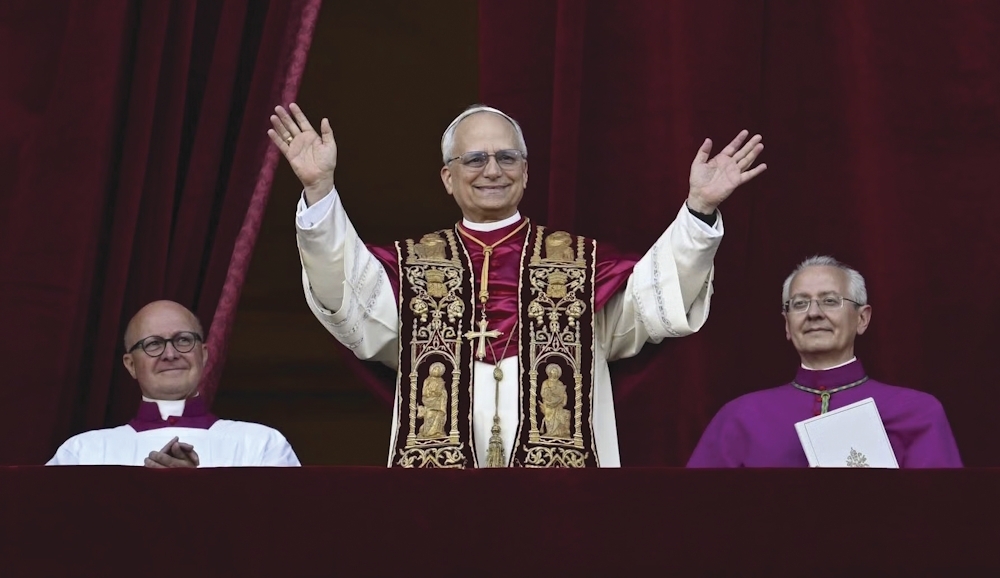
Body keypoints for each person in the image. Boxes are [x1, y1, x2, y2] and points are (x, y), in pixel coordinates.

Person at [269, 103, 765, 468]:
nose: (492, 170)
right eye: (475, 159)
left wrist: (698, 210)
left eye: (507, 158)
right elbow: (347, 300)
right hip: (438, 488)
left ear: (526, 174)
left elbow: (656, 299)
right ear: (446, 176)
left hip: (563, 486)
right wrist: (319, 191)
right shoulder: (411, 265)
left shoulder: (582, 264)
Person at [687, 256, 962, 468]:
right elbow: (696, 512)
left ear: (862, 318)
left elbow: (941, 517)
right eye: (799, 303)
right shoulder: (740, 417)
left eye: (830, 301)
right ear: (787, 325)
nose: (814, 313)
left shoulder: (917, 412)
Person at [47, 300, 300, 467]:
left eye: (182, 340)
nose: (170, 354)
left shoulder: (261, 446)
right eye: (153, 344)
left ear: (203, 354)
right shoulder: (82, 454)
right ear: (130, 365)